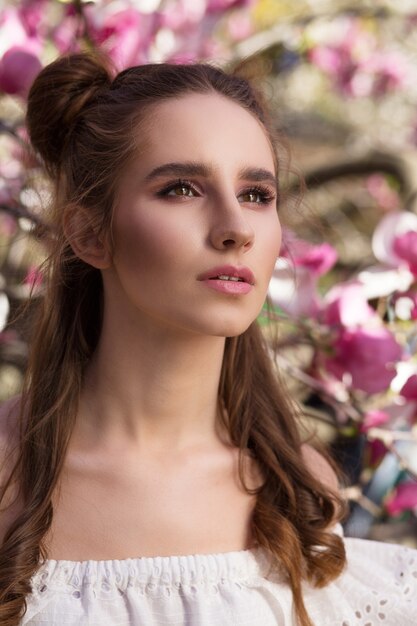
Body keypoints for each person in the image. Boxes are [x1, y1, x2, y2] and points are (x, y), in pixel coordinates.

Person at [0, 51, 415, 626]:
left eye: (255, 195)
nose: (236, 229)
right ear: (90, 234)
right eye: (181, 189)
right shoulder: (8, 477)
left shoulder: (300, 495)